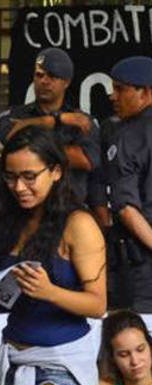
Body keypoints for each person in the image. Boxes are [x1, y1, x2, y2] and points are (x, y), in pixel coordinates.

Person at [0, 126, 106, 385]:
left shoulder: (79, 223)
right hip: (14, 358)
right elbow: (15, 296)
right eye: (11, 177)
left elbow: (98, 304)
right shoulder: (8, 222)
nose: (19, 187)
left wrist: (51, 292)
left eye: (30, 177)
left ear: (57, 171)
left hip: (60, 361)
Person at [0, 47, 100, 203]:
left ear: (66, 82)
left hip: (67, 205)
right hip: (24, 205)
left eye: (52, 76)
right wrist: (56, 121)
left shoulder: (82, 121)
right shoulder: (14, 115)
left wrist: (33, 147)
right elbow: (10, 138)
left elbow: (85, 160)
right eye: (39, 75)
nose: (44, 81)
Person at [105, 56, 152, 312]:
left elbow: (125, 208)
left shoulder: (128, 136)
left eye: (121, 89)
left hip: (144, 265)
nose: (113, 97)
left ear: (144, 92)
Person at [98, 310, 152, 385]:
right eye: (124, 355)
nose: (135, 361)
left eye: (140, 349)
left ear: (150, 347)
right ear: (112, 358)